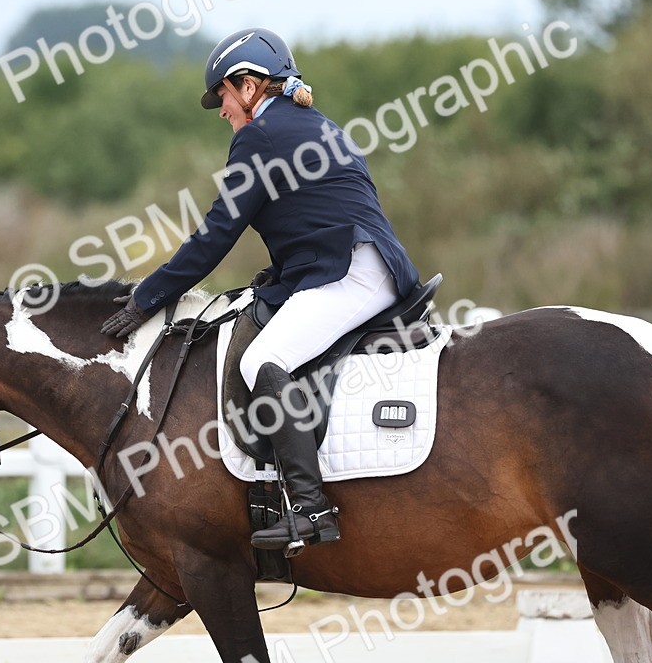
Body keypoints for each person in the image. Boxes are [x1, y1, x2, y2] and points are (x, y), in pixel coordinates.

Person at [101, 28, 420, 551]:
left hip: (353, 274)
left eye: (222, 98)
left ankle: (312, 508)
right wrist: (284, 274)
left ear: (248, 86)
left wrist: (147, 297)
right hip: (360, 264)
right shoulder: (314, 123)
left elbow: (214, 237)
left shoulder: (259, 136)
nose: (222, 111)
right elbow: (319, 215)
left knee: (263, 360)